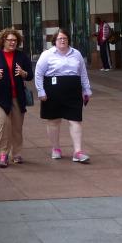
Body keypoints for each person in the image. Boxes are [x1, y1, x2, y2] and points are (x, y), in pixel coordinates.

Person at [34, 28, 93, 163]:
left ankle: (77, 152)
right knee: (54, 121)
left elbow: (83, 73)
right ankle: (56, 148)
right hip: (52, 92)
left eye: (65, 38)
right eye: (59, 38)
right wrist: (40, 91)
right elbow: (38, 74)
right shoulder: (47, 54)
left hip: (73, 91)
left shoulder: (76, 54)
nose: (62, 41)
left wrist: (86, 90)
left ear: (68, 40)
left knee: (75, 120)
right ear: (54, 41)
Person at [0, 27, 35, 168]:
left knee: (17, 127)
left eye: (15, 40)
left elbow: (30, 75)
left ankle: (16, 153)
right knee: (2, 124)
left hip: (17, 97)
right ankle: (3, 154)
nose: (12, 42)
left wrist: (23, 73)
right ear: (3, 41)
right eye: (10, 40)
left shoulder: (21, 56)